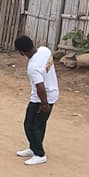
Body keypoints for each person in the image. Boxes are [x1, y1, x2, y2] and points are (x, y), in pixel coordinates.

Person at [14, 35, 59, 166]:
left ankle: (39, 154)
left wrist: (44, 104)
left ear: (21, 52)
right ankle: (33, 147)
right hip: (52, 92)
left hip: (42, 98)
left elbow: (40, 86)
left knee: (31, 125)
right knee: (39, 124)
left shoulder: (33, 67)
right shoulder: (45, 50)